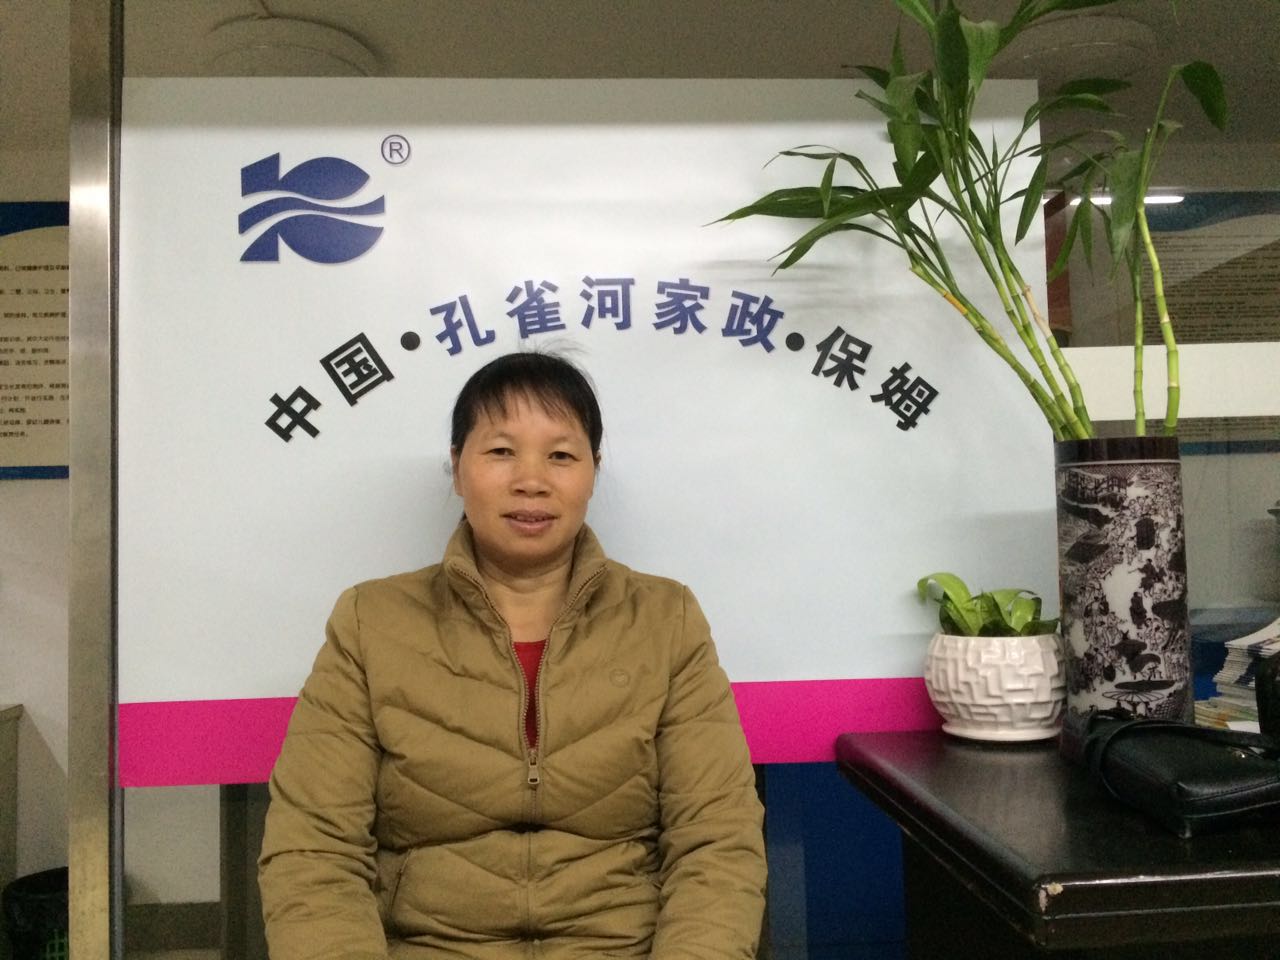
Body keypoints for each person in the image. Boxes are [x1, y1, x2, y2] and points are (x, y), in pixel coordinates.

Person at [258, 351, 767, 960]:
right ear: (457, 467)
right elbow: (313, 851)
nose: (532, 480)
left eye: (561, 456)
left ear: (594, 472)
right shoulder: (371, 622)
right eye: (501, 451)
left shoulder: (666, 620)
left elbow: (717, 843)